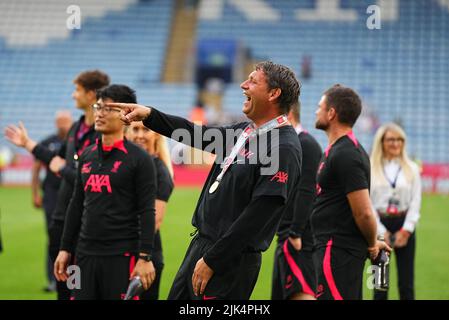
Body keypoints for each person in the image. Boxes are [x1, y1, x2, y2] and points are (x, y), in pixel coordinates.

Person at [107, 61, 303, 300]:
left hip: (228, 261)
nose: (243, 85)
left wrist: (213, 260)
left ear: (273, 94)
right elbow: (194, 134)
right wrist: (149, 115)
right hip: (201, 247)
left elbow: (258, 216)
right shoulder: (245, 132)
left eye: (252, 81)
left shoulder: (283, 147)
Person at [4, 70, 110, 299]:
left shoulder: (102, 135)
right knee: (64, 285)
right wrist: (29, 144)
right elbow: (56, 161)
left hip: (85, 223)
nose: (73, 96)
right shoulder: (76, 128)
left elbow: (88, 180)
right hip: (62, 221)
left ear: (91, 94)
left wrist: (64, 170)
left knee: (80, 287)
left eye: (77, 90)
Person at [54, 84, 157, 300]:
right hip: (82, 255)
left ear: (125, 113)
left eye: (107, 108)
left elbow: (148, 210)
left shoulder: (140, 159)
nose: (99, 113)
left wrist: (145, 257)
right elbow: (76, 204)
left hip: (121, 256)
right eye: (97, 107)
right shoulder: (87, 155)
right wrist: (65, 249)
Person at [311, 84, 391, 300]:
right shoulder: (336, 150)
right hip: (331, 249)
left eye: (320, 106)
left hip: (337, 251)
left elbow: (363, 212)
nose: (316, 111)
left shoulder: (347, 154)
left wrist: (372, 244)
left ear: (331, 113)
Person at [271, 101, 322, 300]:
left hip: (297, 236)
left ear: (288, 114)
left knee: (300, 292)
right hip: (285, 233)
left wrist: (295, 232)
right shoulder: (288, 144)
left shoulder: (306, 144)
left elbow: (307, 190)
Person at [370, 123, 421, 300]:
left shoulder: (412, 168)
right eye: (391, 139)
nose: (396, 143)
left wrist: (407, 230)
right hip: (379, 227)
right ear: (382, 142)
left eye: (399, 139)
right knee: (379, 284)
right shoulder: (371, 167)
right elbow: (367, 202)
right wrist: (380, 231)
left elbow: (415, 202)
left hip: (404, 226)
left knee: (406, 283)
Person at [126, 122, 174, 300]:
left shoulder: (160, 172)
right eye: (135, 129)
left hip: (145, 256)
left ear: (157, 136)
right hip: (122, 252)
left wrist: (142, 257)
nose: (139, 135)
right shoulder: (127, 165)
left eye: (145, 129)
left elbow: (154, 222)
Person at [31, 110, 73, 292]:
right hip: (51, 193)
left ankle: (73, 278)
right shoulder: (47, 142)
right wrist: (35, 193)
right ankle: (53, 279)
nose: (62, 124)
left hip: (72, 193)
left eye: (65, 121)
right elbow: (36, 168)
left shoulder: (75, 141)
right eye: (60, 121)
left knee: (73, 236)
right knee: (53, 236)